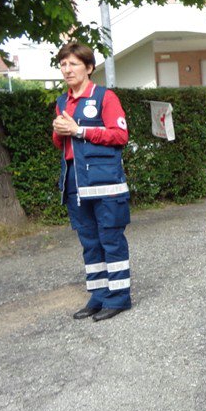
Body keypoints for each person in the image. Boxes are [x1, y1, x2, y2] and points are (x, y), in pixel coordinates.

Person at [52, 42, 132, 322]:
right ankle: (98, 296)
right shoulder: (62, 102)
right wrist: (61, 131)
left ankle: (119, 297)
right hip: (74, 182)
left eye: (73, 64)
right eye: (63, 64)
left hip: (105, 184)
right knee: (89, 242)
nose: (67, 69)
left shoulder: (105, 97)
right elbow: (61, 142)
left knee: (110, 239)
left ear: (88, 68)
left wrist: (79, 130)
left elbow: (120, 136)